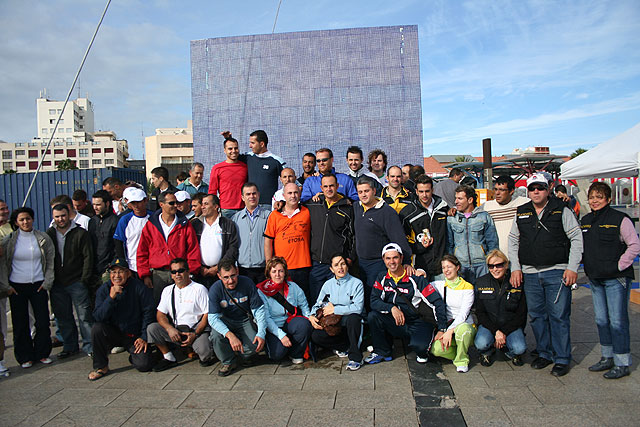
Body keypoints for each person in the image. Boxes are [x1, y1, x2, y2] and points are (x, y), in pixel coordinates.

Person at [508, 173, 583, 377]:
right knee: (537, 316)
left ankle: (562, 358)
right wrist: (515, 267)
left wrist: (573, 267)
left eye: (540, 187)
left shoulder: (561, 209)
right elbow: (513, 241)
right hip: (530, 273)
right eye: (532, 188)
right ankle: (544, 352)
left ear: (549, 188)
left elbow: (576, 237)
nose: (536, 192)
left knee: (558, 316)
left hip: (557, 271)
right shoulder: (522, 212)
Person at [581, 182, 640, 379]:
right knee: (601, 319)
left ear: (608, 199)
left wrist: (619, 266)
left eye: (599, 197)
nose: (594, 201)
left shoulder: (620, 219)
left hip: (616, 279)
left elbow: (634, 245)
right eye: (592, 197)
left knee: (617, 321)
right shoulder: (587, 220)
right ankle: (607, 357)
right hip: (595, 278)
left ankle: (622, 361)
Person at [366, 243, 448, 365]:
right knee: (373, 316)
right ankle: (383, 351)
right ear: (383, 259)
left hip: (415, 321)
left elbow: (436, 302)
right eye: (388, 258)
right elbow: (374, 300)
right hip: (396, 320)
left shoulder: (415, 278)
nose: (392, 262)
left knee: (421, 351)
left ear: (401, 258)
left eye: (395, 257)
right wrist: (391, 308)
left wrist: (442, 328)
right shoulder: (382, 277)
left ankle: (421, 342)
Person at [0, 207, 55, 370]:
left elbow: (50, 261)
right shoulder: (9, 240)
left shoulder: (42, 238)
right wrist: (7, 286)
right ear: (16, 222)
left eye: (28, 219)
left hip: (38, 285)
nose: (25, 222)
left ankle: (42, 353)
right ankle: (24, 356)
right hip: (16, 287)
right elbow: (3, 265)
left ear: (33, 219)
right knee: (20, 323)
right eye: (22, 220)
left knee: (43, 321)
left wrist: (47, 283)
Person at [88, 257, 155, 380]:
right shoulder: (104, 289)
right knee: (97, 329)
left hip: (133, 335)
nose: (116, 276)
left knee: (144, 365)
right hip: (113, 333)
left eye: (120, 272)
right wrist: (111, 298)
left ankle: (134, 356)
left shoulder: (138, 287)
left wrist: (144, 336)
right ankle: (101, 366)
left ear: (128, 273)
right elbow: (98, 317)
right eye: (113, 272)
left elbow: (149, 312)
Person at [354, 176, 412, 311]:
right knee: (364, 296)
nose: (363, 195)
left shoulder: (386, 212)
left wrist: (407, 261)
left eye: (366, 191)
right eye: (360, 192)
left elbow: (398, 238)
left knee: (377, 298)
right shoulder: (356, 207)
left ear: (374, 191)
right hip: (361, 262)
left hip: (378, 264)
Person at [147, 258, 214, 371]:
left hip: (196, 330)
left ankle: (195, 349)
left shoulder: (199, 289)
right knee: (152, 328)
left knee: (205, 354)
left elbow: (207, 315)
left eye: (181, 271)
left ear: (188, 271)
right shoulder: (167, 290)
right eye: (173, 272)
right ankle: (169, 357)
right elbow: (160, 314)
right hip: (176, 331)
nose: (177, 274)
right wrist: (169, 329)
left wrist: (195, 334)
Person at [47, 204, 94, 358]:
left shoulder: (80, 233)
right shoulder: (50, 234)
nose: (60, 219)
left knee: (84, 317)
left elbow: (88, 257)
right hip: (57, 283)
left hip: (77, 281)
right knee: (63, 317)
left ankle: (90, 346)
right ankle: (70, 346)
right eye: (57, 216)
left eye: (63, 215)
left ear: (69, 215)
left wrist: (84, 279)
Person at [137, 191, 201, 305]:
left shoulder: (184, 224)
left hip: (180, 272)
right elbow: (142, 250)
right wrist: (145, 274)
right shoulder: (151, 225)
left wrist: (191, 271)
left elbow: (193, 249)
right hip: (158, 275)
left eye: (176, 202)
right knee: (160, 306)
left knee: (182, 304)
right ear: (161, 204)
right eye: (172, 203)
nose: (175, 205)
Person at [208, 259, 267, 376]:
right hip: (225, 320)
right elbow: (213, 318)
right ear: (219, 276)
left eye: (233, 276)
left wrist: (261, 333)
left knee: (256, 345)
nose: (230, 281)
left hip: (244, 320)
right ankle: (228, 361)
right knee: (215, 336)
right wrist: (230, 335)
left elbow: (259, 310)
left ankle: (243, 354)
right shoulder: (215, 289)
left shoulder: (247, 283)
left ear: (238, 271)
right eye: (226, 277)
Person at [304, 174, 355, 303]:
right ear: (321, 188)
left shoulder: (347, 208)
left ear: (337, 186)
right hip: (317, 264)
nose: (329, 189)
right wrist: (280, 204)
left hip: (338, 265)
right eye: (325, 186)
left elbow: (353, 235)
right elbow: (292, 205)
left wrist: (350, 257)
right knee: (317, 302)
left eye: (332, 185)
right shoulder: (313, 205)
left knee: (338, 303)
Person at [309, 254, 365, 371]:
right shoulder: (328, 285)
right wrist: (312, 315)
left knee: (353, 318)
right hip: (334, 324)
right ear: (331, 269)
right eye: (336, 265)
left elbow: (358, 308)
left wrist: (335, 309)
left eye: (343, 264)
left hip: (351, 321)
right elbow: (318, 304)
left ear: (347, 266)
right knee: (316, 336)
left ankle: (355, 357)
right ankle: (344, 346)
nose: (340, 268)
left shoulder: (357, 283)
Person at [474, 250, 527, 367]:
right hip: (489, 325)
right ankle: (487, 352)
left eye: (499, 265)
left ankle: (509, 351)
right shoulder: (481, 282)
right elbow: (480, 313)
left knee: (519, 348)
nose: (495, 269)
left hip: (510, 326)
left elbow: (521, 314)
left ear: (506, 265)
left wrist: (504, 332)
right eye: (491, 266)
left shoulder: (516, 282)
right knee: (481, 343)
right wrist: (496, 331)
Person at [257, 257, 312, 364]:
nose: (277, 275)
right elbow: (266, 317)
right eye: (274, 271)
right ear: (269, 273)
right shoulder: (262, 291)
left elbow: (304, 305)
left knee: (304, 324)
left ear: (285, 272)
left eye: (280, 271)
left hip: (290, 322)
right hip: (273, 326)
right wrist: (281, 335)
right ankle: (280, 345)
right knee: (277, 355)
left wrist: (309, 319)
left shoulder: (293, 287)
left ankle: (296, 353)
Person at [264, 182, 312, 299]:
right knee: (284, 301)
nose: (293, 196)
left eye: (296, 192)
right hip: (282, 268)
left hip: (303, 266)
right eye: (289, 193)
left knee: (303, 300)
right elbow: (268, 243)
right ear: (284, 196)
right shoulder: (274, 215)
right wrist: (269, 266)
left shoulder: (307, 212)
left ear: (300, 194)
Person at [429, 255, 476, 373]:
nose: (446, 270)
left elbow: (463, 314)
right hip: (447, 326)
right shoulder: (438, 285)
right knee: (435, 349)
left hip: (464, 325)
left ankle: (462, 360)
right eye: (443, 267)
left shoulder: (467, 287)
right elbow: (423, 287)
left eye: (449, 267)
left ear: (457, 267)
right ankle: (459, 350)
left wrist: (448, 331)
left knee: (463, 330)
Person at [399, 174, 449, 281]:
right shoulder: (407, 213)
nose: (424, 195)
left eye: (427, 191)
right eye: (421, 192)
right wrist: (420, 246)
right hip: (421, 266)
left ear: (432, 190)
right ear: (416, 191)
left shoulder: (443, 208)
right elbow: (403, 241)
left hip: (443, 266)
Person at [447, 185, 499, 283]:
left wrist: (491, 263)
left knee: (483, 296)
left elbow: (492, 242)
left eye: (460, 198)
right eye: (456, 198)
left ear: (470, 200)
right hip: (460, 266)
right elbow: (449, 244)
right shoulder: (451, 218)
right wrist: (452, 264)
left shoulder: (483, 217)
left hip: (481, 265)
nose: (456, 202)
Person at [223, 129, 285, 209]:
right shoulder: (248, 157)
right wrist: (229, 139)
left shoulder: (276, 161)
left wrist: (281, 199)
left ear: (262, 144)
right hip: (250, 205)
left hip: (269, 206)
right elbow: (233, 154)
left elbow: (290, 180)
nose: (250, 146)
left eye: (252, 143)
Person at [192, 194, 239, 288]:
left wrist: (218, 267)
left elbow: (232, 247)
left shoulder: (227, 224)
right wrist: (199, 267)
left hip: (221, 273)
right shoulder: (195, 224)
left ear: (215, 206)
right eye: (202, 204)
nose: (202, 207)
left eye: (206, 204)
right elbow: (191, 247)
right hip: (200, 273)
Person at [481, 175, 529, 255]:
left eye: (502, 190)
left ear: (511, 191)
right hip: (497, 258)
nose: (497, 193)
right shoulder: (487, 207)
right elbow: (470, 213)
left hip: (519, 256)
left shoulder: (523, 203)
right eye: (495, 189)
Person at [232, 183, 270, 284]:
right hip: (242, 269)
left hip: (263, 269)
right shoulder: (236, 218)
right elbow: (233, 244)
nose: (251, 196)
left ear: (258, 195)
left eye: (254, 193)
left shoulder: (268, 216)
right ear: (242, 197)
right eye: (248, 194)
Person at [113, 188, 152, 276]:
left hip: (151, 265)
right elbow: (118, 242)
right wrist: (124, 266)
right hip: (132, 267)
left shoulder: (154, 218)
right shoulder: (125, 220)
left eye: (138, 202)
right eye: (133, 203)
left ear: (146, 201)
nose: (136, 206)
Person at [209, 136, 248, 219]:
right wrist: (213, 208)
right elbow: (212, 191)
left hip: (244, 208)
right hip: (226, 209)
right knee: (227, 232)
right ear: (224, 150)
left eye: (236, 148)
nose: (233, 151)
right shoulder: (217, 168)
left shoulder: (245, 167)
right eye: (230, 149)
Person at [88, 190, 119, 285]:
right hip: (93, 269)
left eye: (98, 205)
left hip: (108, 269)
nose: (95, 208)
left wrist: (112, 266)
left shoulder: (115, 221)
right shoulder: (92, 221)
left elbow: (117, 247)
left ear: (107, 203)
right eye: (93, 204)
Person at [0, 199, 13, 353]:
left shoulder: (14, 225)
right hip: (2, 278)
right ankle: (2, 343)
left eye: (6, 208)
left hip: (17, 275)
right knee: (2, 313)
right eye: (2, 209)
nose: (5, 211)